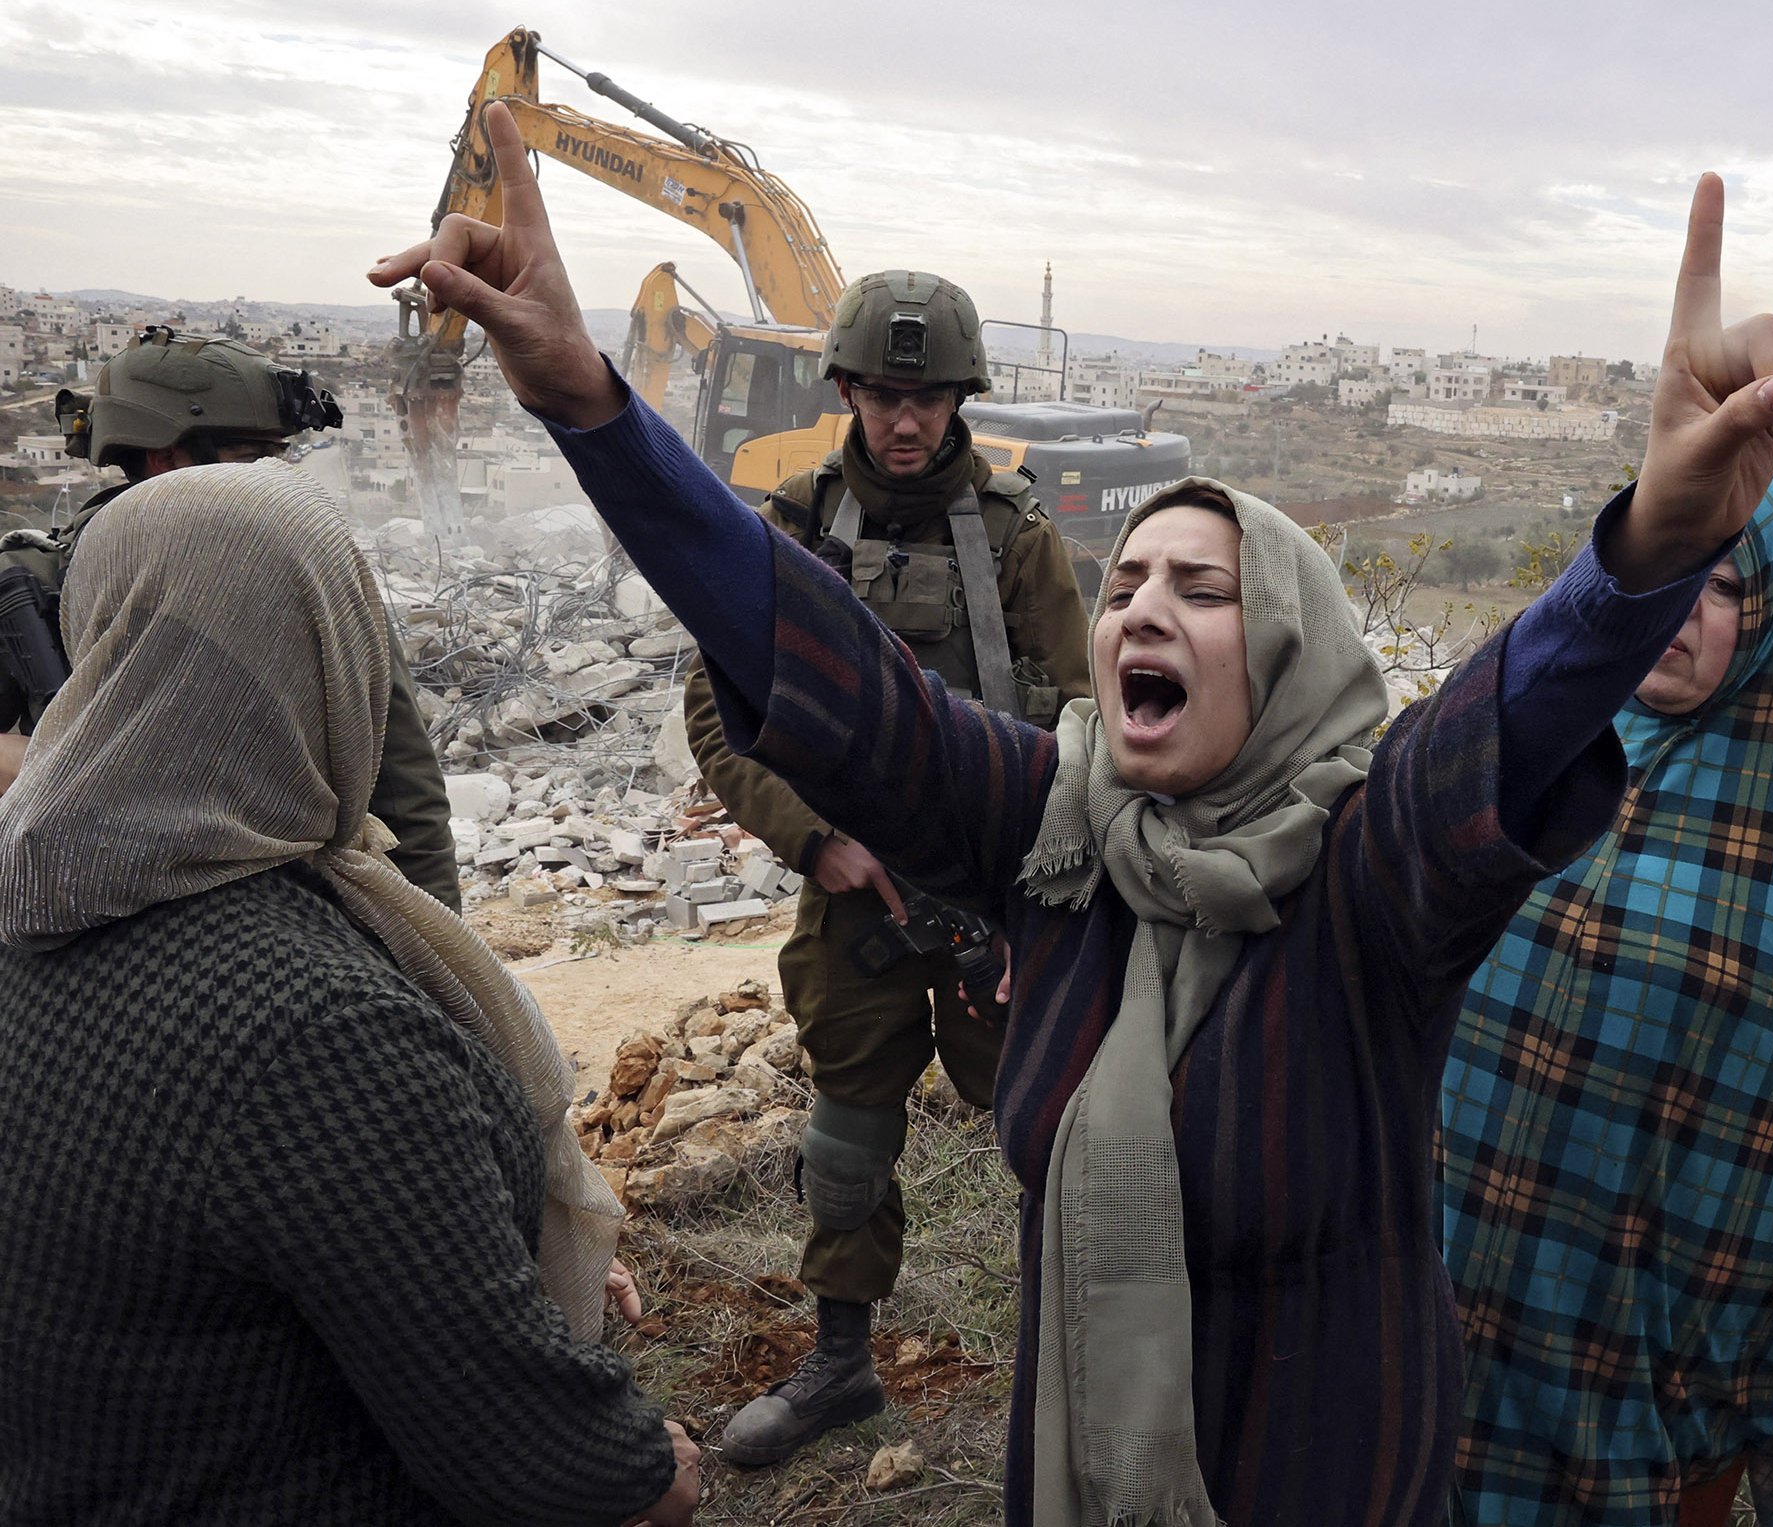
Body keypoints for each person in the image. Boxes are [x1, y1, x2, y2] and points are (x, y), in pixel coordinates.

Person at [368, 101, 1773, 1526]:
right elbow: (817, 655)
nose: (1142, 606)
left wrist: (1661, 536)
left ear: (1288, 656)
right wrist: (590, 404)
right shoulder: (1056, 827)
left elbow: (1504, 719)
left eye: (1204, 586)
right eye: (1132, 582)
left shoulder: (1366, 876)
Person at [0, 462, 696, 1525]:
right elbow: (543, 1463)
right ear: (333, 658)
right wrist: (665, 1468)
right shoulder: (311, 1029)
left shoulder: (39, 905)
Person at [1441, 486, 1773, 1527]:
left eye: (1720, 587)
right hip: (1443, 1284)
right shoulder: (1534, 752)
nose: (1681, 611)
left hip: (1660, 1337)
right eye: (1666, 579)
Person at [687, 269, 1092, 1465]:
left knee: (1055, 1135)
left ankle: (1071, 1371)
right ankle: (840, 1363)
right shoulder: (792, 529)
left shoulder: (1020, 539)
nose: (904, 422)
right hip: (850, 890)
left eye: (927, 399)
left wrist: (1034, 888)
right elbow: (719, 717)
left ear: (960, 398)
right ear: (849, 391)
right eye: (881, 395)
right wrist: (819, 842)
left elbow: (1078, 719)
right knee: (847, 1140)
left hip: (997, 899)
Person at [0, 327, 459, 907]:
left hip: (282, 917)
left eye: (278, 457)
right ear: (166, 457)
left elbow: (403, 790)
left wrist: (429, 945)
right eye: (251, 458)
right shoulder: (35, 585)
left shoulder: (293, 567)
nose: (273, 478)